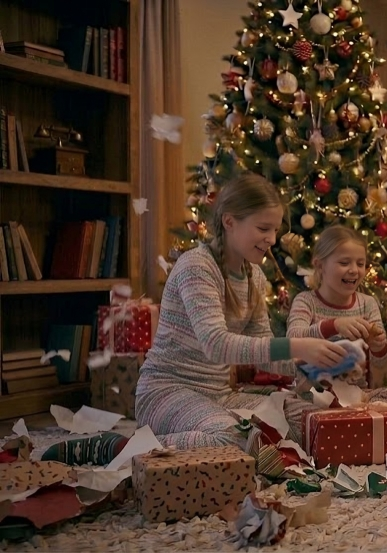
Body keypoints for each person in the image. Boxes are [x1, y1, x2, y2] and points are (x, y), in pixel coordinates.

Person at [124, 174, 350, 453]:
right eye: (263, 228)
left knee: (305, 423)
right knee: (235, 438)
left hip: (218, 396)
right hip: (166, 393)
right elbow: (216, 345)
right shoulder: (196, 267)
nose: (272, 239)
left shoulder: (254, 276)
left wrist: (317, 367)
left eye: (275, 230)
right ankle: (130, 447)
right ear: (229, 222)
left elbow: (264, 353)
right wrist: (298, 345)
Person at [287, 224, 387, 406]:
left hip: (356, 395)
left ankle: (356, 416)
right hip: (314, 393)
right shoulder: (306, 301)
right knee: (295, 407)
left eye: (360, 264)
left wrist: (379, 347)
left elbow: (382, 362)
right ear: (320, 265)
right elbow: (294, 340)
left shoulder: (367, 303)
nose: (354, 270)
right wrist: (334, 325)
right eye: (344, 263)